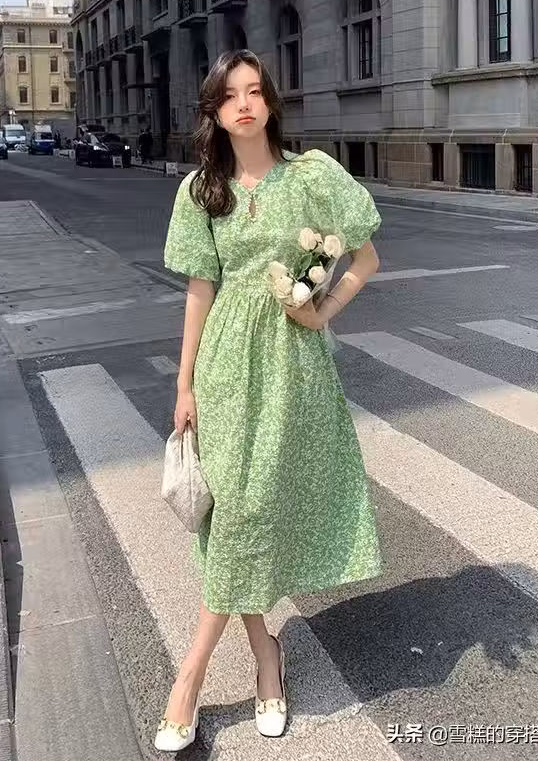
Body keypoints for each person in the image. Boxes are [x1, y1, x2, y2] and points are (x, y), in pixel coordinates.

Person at [157, 49, 383, 751]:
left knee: (253, 513)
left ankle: (200, 675)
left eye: (255, 91)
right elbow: (200, 290)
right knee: (236, 513)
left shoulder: (311, 175)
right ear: (215, 111)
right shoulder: (201, 191)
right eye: (231, 95)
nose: (245, 104)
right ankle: (255, 659)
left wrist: (321, 310)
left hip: (293, 368)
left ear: (270, 102)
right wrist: (184, 383)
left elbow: (366, 258)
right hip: (227, 364)